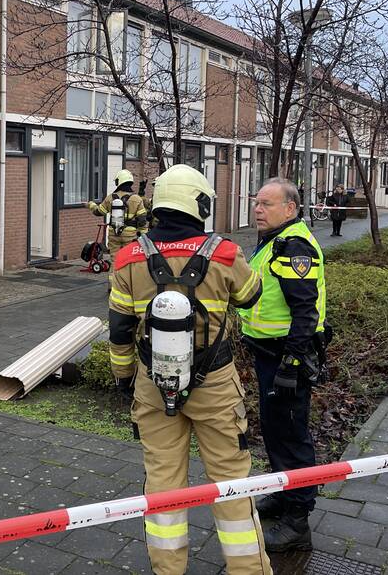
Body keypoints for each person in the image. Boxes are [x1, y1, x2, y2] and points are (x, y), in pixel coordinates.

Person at [108, 164, 271, 575]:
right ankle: (248, 570)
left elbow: (120, 330)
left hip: (152, 384)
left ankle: (168, 570)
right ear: (200, 203)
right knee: (231, 482)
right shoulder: (226, 254)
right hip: (215, 383)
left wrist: (125, 379)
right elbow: (252, 297)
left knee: (162, 483)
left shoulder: (128, 259)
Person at [237, 177, 327, 553]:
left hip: (285, 357)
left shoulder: (294, 246)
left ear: (290, 209)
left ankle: (297, 521)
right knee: (275, 431)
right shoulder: (275, 241)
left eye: (266, 204)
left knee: (291, 436)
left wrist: (291, 363)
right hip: (269, 355)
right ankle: (282, 490)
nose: (258, 209)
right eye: (256, 203)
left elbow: (305, 313)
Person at [88, 169, 149, 268]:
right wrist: (144, 235)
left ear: (119, 182)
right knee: (129, 260)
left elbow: (99, 212)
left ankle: (114, 282)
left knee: (115, 261)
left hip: (114, 234)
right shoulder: (136, 199)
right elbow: (142, 221)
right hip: (130, 235)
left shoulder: (110, 198)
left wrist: (91, 205)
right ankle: (127, 281)